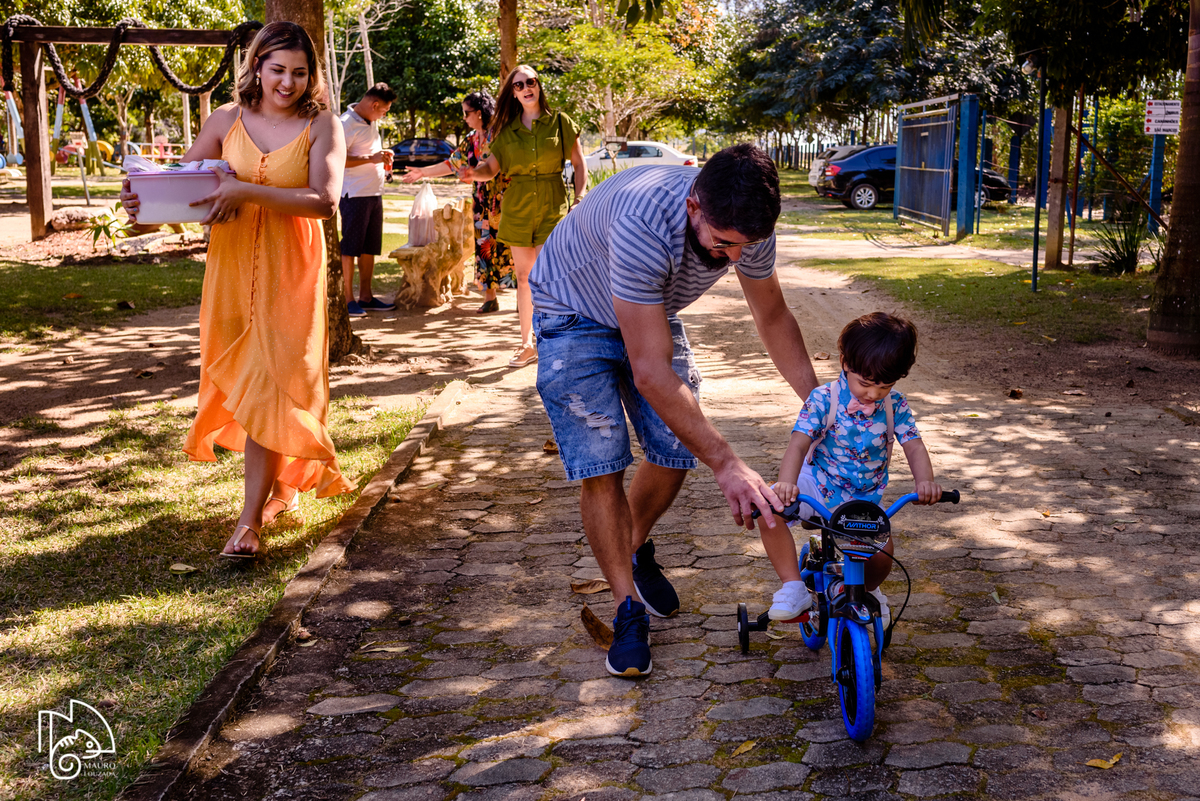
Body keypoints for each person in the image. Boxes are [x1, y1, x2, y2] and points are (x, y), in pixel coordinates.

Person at [529, 144, 820, 676]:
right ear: (693, 207)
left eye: (745, 247)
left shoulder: (744, 225)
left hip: (645, 308)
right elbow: (650, 372)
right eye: (724, 244)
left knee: (673, 447)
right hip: (572, 310)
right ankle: (626, 609)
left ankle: (632, 546)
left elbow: (773, 315)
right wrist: (728, 461)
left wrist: (818, 405)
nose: (734, 259)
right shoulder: (644, 224)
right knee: (602, 463)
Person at [119, 21, 353, 558]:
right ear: (256, 67)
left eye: (299, 72)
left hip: (290, 269)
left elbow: (324, 201)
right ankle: (279, 489)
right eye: (277, 70)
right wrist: (143, 213)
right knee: (250, 377)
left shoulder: (323, 126)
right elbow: (184, 190)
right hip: (230, 270)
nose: (287, 83)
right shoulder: (225, 119)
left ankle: (248, 521)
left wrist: (245, 188)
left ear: (310, 74)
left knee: (276, 381)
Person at [762, 312, 942, 626]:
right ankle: (793, 587)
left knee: (883, 556)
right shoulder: (823, 400)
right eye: (866, 384)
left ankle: (869, 592)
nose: (872, 394)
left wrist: (925, 481)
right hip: (818, 485)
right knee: (767, 506)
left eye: (884, 386)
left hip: (863, 501)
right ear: (845, 363)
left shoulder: (894, 405)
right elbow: (798, 444)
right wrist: (786, 483)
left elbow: (913, 444)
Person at [459, 65, 587, 367]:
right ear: (513, 93)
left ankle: (557, 339)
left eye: (530, 82)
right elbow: (491, 168)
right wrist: (473, 173)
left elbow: (579, 164)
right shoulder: (507, 130)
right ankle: (527, 344)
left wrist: (579, 199)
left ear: (538, 86)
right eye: (518, 85)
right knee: (524, 277)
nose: (526, 88)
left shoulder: (560, 122)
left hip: (553, 206)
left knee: (551, 276)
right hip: (517, 209)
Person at [401, 91, 513, 314]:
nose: (464, 117)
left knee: (512, 248)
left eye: (466, 113)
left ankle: (523, 299)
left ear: (479, 113)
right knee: (484, 247)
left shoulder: (501, 135)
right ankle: (490, 298)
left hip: (506, 200)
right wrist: (423, 173)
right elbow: (451, 164)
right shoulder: (472, 139)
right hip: (482, 202)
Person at [340, 82, 397, 317]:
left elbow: (369, 154)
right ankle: (347, 299)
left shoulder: (370, 120)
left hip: (374, 193)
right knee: (350, 248)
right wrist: (370, 158)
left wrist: (382, 157)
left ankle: (366, 296)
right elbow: (338, 159)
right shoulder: (345, 123)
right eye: (384, 110)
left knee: (369, 248)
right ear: (374, 104)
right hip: (354, 194)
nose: (384, 115)